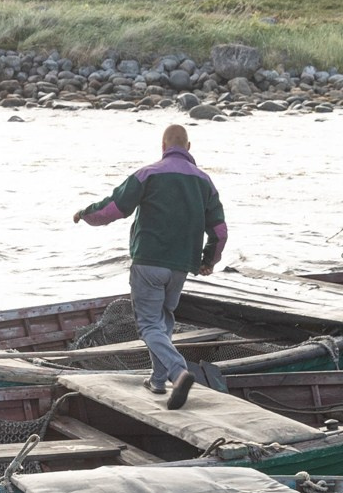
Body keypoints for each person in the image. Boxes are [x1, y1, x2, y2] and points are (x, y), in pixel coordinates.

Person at [72, 124, 227, 401]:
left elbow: (113, 209)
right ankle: (157, 381)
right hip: (180, 267)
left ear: (163, 147)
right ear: (188, 148)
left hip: (149, 262)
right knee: (163, 321)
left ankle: (178, 372)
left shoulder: (149, 174)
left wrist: (85, 213)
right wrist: (208, 261)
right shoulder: (205, 182)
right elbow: (219, 231)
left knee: (148, 325)